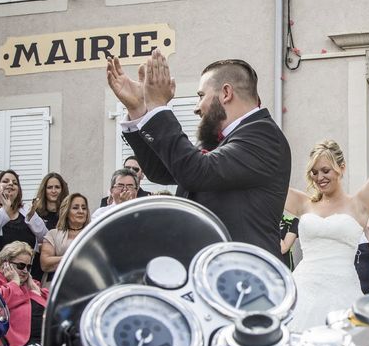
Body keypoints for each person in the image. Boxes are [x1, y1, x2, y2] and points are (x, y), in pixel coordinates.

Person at [107, 49, 291, 257]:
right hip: (212, 270)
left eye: (201, 96)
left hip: (242, 273)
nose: (197, 107)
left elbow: (195, 172)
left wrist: (158, 107)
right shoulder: (222, 140)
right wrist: (139, 110)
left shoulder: (263, 135)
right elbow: (162, 171)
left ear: (226, 93)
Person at [284, 88, 369, 330]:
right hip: (303, 291)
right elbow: (267, 184)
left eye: (325, 170)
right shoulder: (304, 203)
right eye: (314, 172)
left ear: (341, 168)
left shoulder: (359, 205)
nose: (319, 177)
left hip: (342, 293)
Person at [0, 169, 48, 271]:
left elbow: (44, 237)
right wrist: (5, 210)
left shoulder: (26, 210)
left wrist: (32, 217)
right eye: (5, 181)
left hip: (25, 274)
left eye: (15, 183)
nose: (10, 184)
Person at [40, 193, 90, 287]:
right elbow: (45, 263)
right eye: (75, 208)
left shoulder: (93, 234)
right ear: (66, 212)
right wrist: (73, 257)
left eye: (84, 208)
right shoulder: (53, 234)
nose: (81, 211)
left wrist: (60, 260)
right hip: (56, 286)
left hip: (86, 286)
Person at [29, 172, 69, 280]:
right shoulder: (35, 214)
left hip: (61, 267)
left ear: (62, 190)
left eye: (57, 187)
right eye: (50, 187)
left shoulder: (68, 214)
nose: (53, 191)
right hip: (38, 266)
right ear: (44, 190)